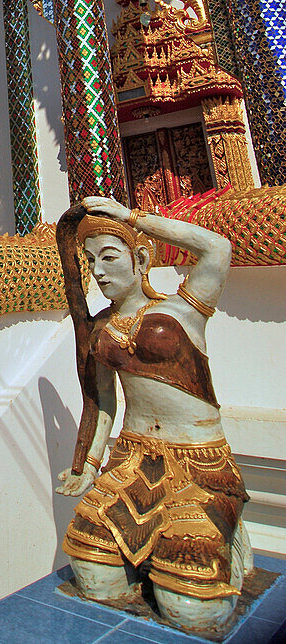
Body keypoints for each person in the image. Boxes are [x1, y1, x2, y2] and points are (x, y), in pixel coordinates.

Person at [55, 196, 250, 635]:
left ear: (140, 258)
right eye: (90, 262)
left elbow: (217, 248)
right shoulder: (100, 330)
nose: (99, 272)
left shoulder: (182, 309)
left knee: (193, 610)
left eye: (109, 257)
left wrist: (133, 217)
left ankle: (220, 551)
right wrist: (88, 465)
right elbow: (104, 403)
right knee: (93, 574)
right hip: (134, 463)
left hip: (200, 464)